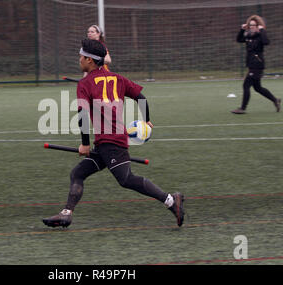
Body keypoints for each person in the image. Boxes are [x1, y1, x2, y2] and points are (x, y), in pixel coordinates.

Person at [43, 39, 185, 228]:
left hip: (112, 142)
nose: (79, 59)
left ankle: (171, 200)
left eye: (81, 57)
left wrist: (85, 144)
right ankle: (67, 213)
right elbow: (141, 98)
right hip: (105, 143)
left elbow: (83, 115)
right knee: (78, 173)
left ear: (90, 61)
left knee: (126, 179)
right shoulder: (118, 78)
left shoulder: (85, 83)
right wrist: (147, 119)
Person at [232, 15, 281, 114]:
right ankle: (275, 100)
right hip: (251, 64)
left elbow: (266, 42)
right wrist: (242, 29)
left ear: (258, 26)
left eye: (254, 25)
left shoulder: (260, 36)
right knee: (257, 88)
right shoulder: (248, 35)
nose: (251, 27)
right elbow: (238, 39)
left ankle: (242, 108)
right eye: (250, 25)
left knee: (246, 85)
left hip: (257, 64)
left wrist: (262, 30)